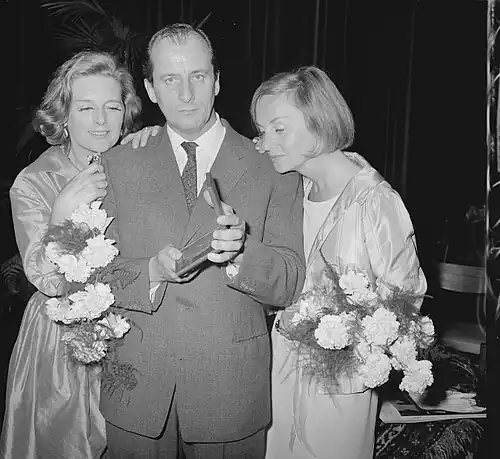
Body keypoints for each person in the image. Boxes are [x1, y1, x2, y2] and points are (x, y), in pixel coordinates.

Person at [98, 23, 306, 459]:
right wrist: (150, 272)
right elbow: (93, 276)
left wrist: (242, 253)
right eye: (170, 79)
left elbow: (289, 281)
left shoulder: (272, 165)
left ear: (217, 81)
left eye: (198, 76)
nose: (187, 94)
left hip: (230, 390)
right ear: (150, 90)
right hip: (138, 389)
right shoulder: (118, 163)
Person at [251, 66, 427, 459]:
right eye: (262, 130)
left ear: (319, 122)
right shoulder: (291, 189)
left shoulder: (375, 201)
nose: (265, 143)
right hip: (280, 368)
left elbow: (407, 299)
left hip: (341, 380)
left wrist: (348, 337)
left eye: (279, 129)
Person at [0, 50, 157, 459]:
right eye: (86, 108)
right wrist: (62, 212)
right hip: (62, 344)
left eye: (112, 107)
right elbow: (48, 279)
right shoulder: (35, 181)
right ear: (64, 116)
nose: (101, 121)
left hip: (136, 333)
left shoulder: (140, 163)